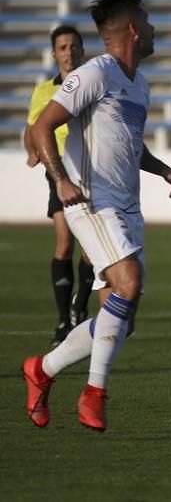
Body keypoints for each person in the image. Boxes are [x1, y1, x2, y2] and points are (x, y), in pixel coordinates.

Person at [21, 0, 171, 432]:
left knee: (120, 320)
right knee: (129, 283)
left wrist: (162, 168)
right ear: (133, 29)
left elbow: (128, 145)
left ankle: (42, 370)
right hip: (92, 202)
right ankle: (94, 395)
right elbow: (41, 127)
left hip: (127, 208)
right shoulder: (97, 73)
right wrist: (60, 179)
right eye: (148, 23)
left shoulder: (139, 84)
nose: (153, 31)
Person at [23, 26, 96, 345]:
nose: (69, 52)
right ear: (54, 54)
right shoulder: (43, 91)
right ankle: (63, 319)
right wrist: (32, 150)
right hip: (60, 170)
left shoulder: (92, 83)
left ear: (82, 50)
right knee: (64, 242)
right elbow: (33, 128)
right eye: (63, 47)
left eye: (74, 46)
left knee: (91, 251)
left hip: (92, 170)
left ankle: (80, 307)